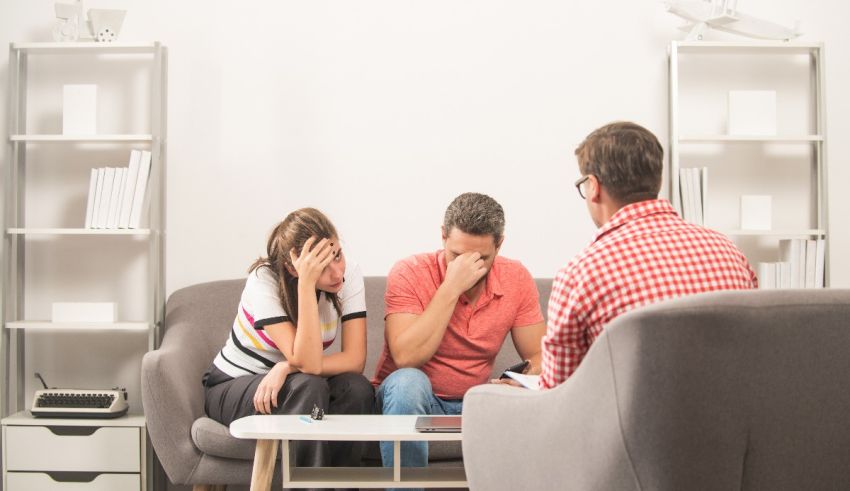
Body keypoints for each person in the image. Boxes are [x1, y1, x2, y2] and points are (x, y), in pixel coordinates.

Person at [541, 121, 758, 389]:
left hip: (637, 429)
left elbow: (559, 395)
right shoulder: (730, 252)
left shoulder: (580, 274)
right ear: (659, 179)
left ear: (593, 186)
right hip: (735, 425)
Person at [372, 192, 547, 473]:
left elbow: (540, 356)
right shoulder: (410, 271)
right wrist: (451, 287)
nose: (466, 266)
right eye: (456, 255)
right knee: (408, 382)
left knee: (531, 394)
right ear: (443, 236)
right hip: (413, 398)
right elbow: (406, 357)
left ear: (499, 244)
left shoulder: (516, 277)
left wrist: (522, 380)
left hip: (475, 400)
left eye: (479, 258)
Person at [203, 207, 374, 471]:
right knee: (309, 386)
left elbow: (354, 360)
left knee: (357, 388)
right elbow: (308, 363)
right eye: (320, 267)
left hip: (292, 381)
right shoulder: (263, 281)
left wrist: (285, 366)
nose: (337, 272)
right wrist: (306, 285)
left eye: (336, 255)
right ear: (293, 269)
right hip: (233, 385)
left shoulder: (349, 274)